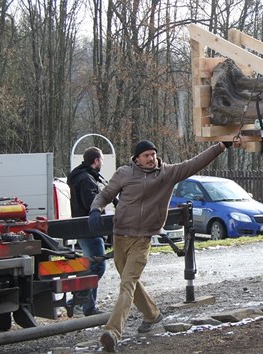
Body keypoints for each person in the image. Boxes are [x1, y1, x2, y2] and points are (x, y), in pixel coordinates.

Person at [89, 139, 232, 352]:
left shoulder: (167, 174)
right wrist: (95, 208)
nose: (151, 158)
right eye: (146, 155)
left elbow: (195, 163)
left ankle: (112, 332)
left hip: (143, 239)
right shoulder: (124, 173)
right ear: (136, 158)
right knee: (131, 281)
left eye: (153, 154)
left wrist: (220, 146)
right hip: (120, 236)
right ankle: (152, 315)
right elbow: (105, 194)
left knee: (127, 284)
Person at [67, 146, 106, 316]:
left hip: (82, 230)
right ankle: (78, 301)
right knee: (98, 266)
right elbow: (92, 205)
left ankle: (87, 306)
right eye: (101, 159)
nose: (102, 162)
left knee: (91, 266)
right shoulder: (87, 179)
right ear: (96, 161)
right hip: (90, 230)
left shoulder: (79, 176)